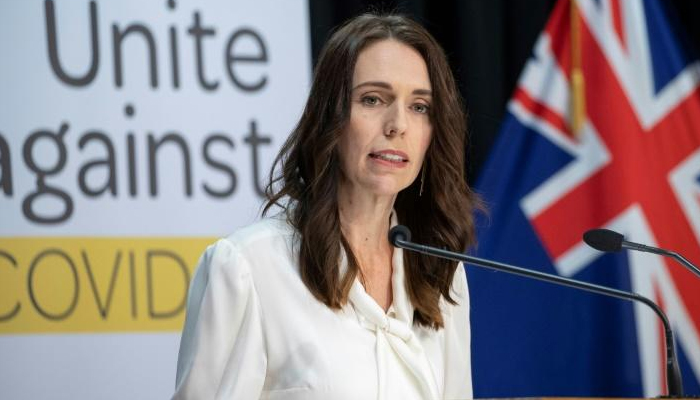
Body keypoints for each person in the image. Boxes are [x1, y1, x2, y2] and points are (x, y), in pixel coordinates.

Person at [173, 12, 481, 400]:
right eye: (373, 99)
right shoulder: (248, 268)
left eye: (419, 106)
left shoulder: (440, 273)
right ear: (329, 116)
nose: (397, 125)